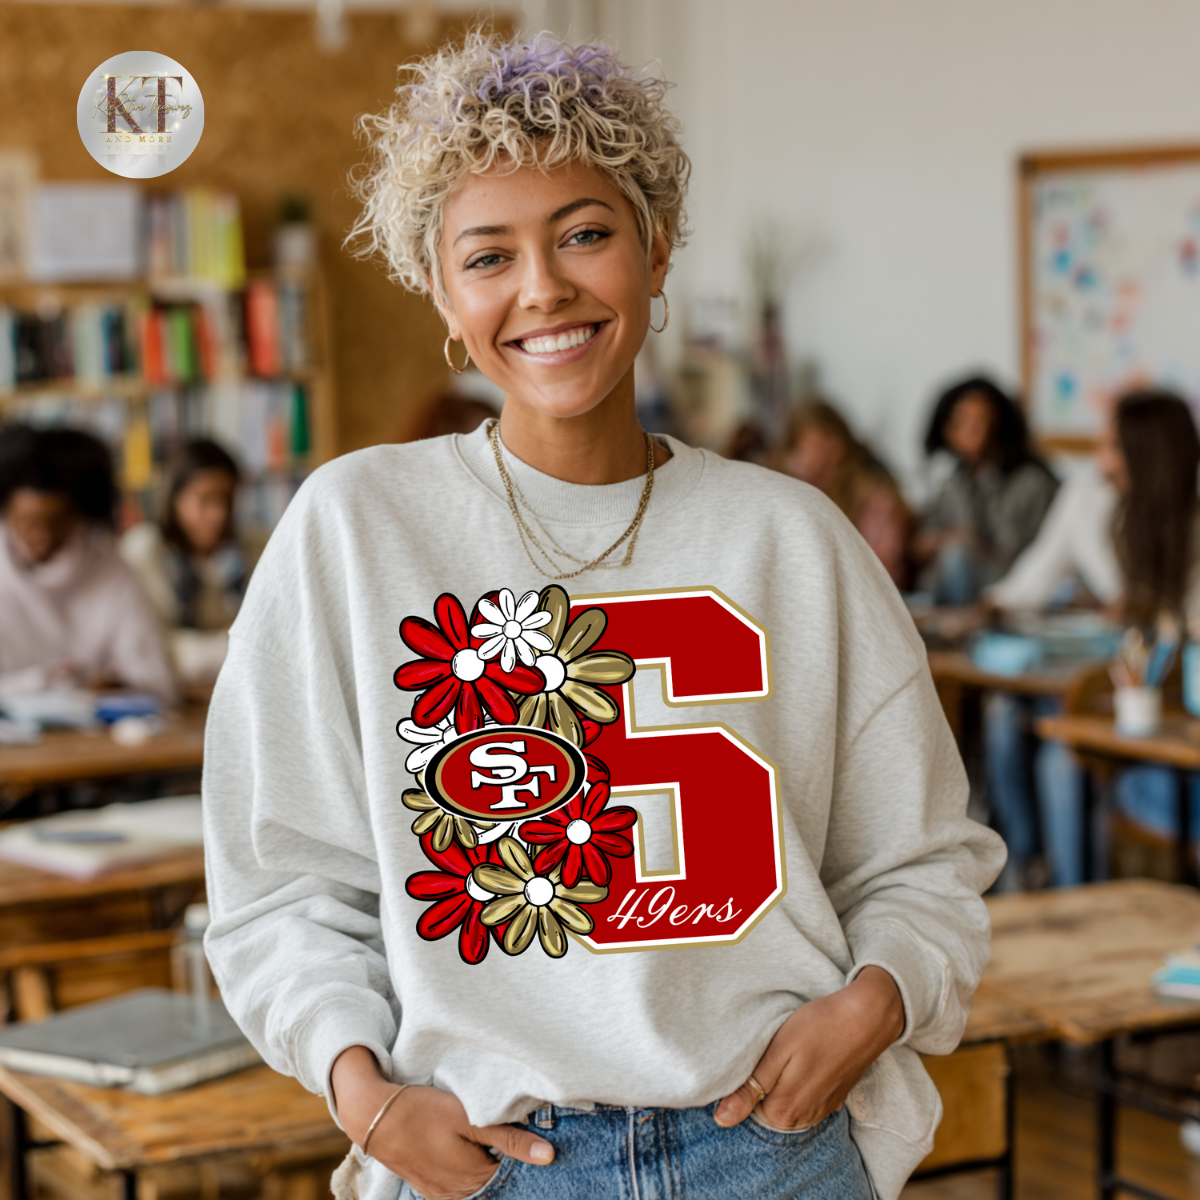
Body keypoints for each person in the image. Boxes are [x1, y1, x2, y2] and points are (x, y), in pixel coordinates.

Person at [201, 32, 1004, 1200]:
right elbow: (278, 881)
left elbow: (924, 860)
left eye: (585, 234)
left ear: (657, 247)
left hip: (774, 1152)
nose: (543, 288)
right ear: (441, 291)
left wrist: (875, 1002)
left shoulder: (792, 537)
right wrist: (361, 1093)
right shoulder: (355, 529)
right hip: (490, 1163)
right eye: (489, 256)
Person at [984, 389, 1200, 887]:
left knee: (1062, 759)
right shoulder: (1089, 500)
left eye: (1113, 447)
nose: (1102, 462)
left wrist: (1148, 608)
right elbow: (1035, 575)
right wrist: (990, 604)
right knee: (1003, 714)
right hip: (1098, 674)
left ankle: (1073, 890)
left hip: (1157, 687)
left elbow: (1184, 628)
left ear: (1149, 456)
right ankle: (1025, 872)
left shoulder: (1189, 522)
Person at [0, 423, 176, 705]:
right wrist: (43, 680)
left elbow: (157, 679)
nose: (42, 535)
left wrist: (119, 684)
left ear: (78, 513)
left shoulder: (112, 572)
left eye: (56, 522)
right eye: (28, 522)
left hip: (99, 730)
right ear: (6, 512)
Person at [914, 375, 1059, 605]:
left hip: (1014, 593)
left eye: (980, 420)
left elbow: (1033, 561)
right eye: (961, 421)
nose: (972, 430)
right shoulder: (953, 484)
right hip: (954, 592)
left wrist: (972, 545)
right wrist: (950, 539)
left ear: (1000, 425)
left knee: (958, 556)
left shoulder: (1033, 483)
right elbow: (919, 544)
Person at [121, 439, 250, 686]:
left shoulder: (253, 549)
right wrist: (229, 647)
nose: (219, 514)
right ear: (174, 497)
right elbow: (151, 647)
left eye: (228, 499)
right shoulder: (144, 550)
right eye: (205, 500)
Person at [785, 399, 913, 589]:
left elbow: (879, 570)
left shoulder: (872, 494)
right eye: (801, 448)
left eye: (817, 445)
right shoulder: (795, 491)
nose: (807, 459)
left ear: (838, 445)